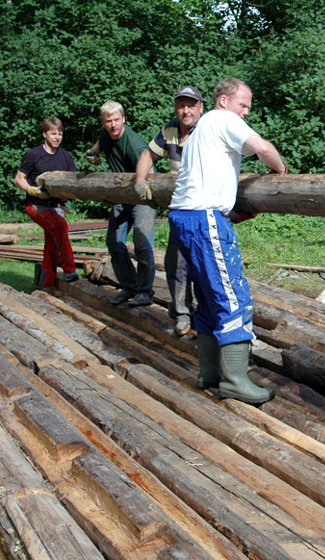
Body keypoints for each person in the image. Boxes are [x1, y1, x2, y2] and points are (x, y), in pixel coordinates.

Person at [168, 78, 287, 404]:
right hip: (204, 218)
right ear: (224, 100)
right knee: (234, 298)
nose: (246, 112)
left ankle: (210, 373)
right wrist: (281, 172)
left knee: (207, 297)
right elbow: (263, 148)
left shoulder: (200, 131)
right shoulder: (223, 119)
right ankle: (235, 380)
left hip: (183, 216)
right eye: (243, 105)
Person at [134, 85, 204, 336]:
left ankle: (205, 315)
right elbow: (148, 155)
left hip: (204, 207)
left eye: (191, 105)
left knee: (203, 264)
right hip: (179, 208)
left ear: (200, 107)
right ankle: (182, 313)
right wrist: (141, 181)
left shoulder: (207, 129)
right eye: (181, 105)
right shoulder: (170, 129)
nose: (186, 111)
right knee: (176, 262)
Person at [86, 101, 157, 307]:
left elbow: (150, 173)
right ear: (103, 122)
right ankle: (129, 286)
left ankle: (145, 292)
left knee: (143, 245)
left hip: (143, 196)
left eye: (117, 119)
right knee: (114, 242)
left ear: (124, 119)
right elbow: (96, 149)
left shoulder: (134, 144)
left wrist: (144, 195)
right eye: (109, 121)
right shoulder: (104, 133)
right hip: (121, 196)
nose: (113, 124)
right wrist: (93, 155)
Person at [14, 117, 79, 289]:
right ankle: (70, 269)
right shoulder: (33, 154)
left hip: (57, 206)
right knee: (59, 226)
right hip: (36, 205)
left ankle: (46, 285)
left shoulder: (66, 156)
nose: (57, 137)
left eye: (60, 134)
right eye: (53, 134)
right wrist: (31, 190)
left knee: (52, 244)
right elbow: (18, 179)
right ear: (44, 134)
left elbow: (74, 180)